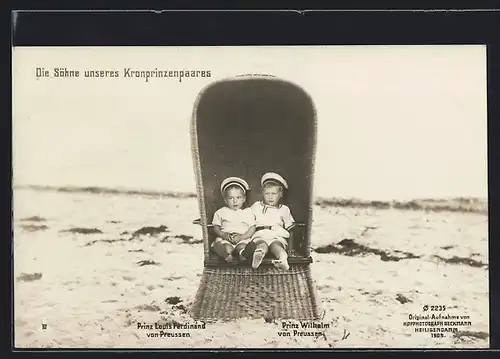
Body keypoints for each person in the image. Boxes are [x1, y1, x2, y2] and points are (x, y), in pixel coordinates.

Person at [245, 172, 295, 270]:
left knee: (277, 247)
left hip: (276, 235)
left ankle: (283, 260)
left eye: (274, 194)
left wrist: (291, 248)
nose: (270, 197)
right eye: (267, 193)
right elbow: (247, 220)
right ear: (263, 193)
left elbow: (291, 229)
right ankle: (258, 257)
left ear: (280, 194)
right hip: (260, 234)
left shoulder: (284, 209)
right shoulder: (256, 206)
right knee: (261, 244)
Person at [211, 177, 256, 262]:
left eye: (238, 197)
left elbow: (252, 227)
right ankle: (227, 256)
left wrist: (243, 236)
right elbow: (216, 227)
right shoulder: (221, 212)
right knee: (227, 248)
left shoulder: (247, 212)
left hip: (242, 238)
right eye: (231, 198)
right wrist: (224, 235)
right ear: (225, 200)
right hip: (226, 239)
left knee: (242, 247)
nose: (235, 201)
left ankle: (243, 255)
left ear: (244, 199)